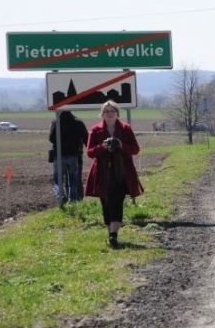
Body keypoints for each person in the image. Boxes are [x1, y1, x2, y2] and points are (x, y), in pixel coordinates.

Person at [84, 101, 144, 249]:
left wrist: (121, 145)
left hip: (121, 172)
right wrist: (103, 147)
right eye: (107, 111)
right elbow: (90, 152)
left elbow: (135, 149)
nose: (110, 114)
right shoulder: (95, 130)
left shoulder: (125, 128)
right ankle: (110, 235)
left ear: (117, 113)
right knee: (106, 204)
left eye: (112, 111)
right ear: (102, 114)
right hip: (102, 173)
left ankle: (114, 235)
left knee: (117, 202)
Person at [49, 110, 89, 206]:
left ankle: (60, 197)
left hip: (59, 156)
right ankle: (73, 201)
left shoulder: (56, 122)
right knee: (73, 180)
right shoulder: (78, 122)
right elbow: (86, 139)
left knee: (58, 180)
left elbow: (51, 138)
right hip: (74, 155)